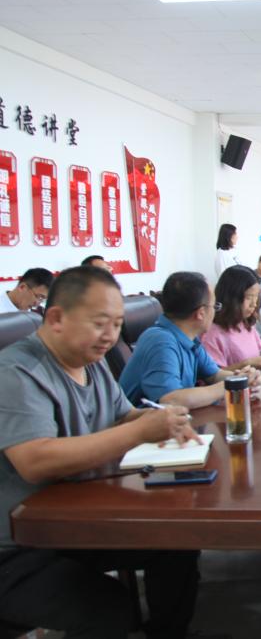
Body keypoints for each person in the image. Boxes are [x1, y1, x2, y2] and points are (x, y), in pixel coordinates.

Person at [0, 266, 200, 637]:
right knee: (107, 610)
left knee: (177, 541)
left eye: (117, 324)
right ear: (56, 318)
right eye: (99, 323)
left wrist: (161, 420)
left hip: (74, 524)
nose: (110, 336)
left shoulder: (90, 361)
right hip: (20, 545)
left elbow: (122, 415)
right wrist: (139, 430)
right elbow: (35, 460)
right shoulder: (16, 372)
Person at [119, 271, 261, 409]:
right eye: (214, 306)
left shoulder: (190, 338)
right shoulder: (160, 341)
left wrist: (244, 378)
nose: (215, 312)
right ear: (201, 313)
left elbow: (214, 375)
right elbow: (171, 399)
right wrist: (231, 385)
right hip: (143, 424)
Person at [201, 266, 261, 370]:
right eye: (248, 297)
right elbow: (212, 376)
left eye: (256, 296)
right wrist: (247, 364)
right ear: (231, 298)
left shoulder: (245, 323)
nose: (254, 304)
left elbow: (258, 357)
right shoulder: (212, 334)